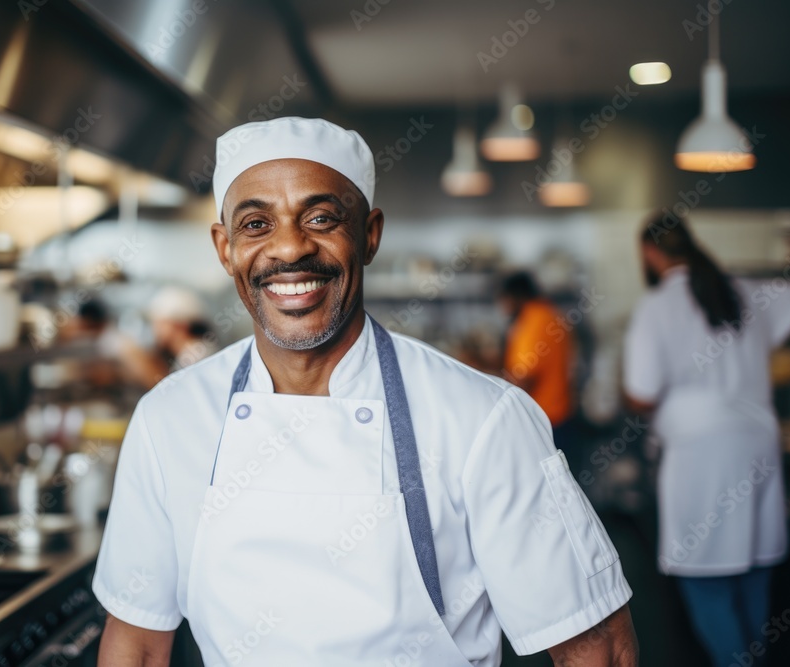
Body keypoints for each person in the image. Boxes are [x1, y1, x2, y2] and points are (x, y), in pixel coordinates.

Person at [94, 117, 638, 666]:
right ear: (225, 247)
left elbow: (596, 649)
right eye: (256, 224)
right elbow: (137, 644)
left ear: (370, 234)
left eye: (321, 218)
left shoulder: (483, 419)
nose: (289, 248)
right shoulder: (169, 418)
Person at [623, 213, 790, 667]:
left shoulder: (658, 306)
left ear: (649, 252)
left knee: (706, 579)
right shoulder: (742, 290)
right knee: (753, 571)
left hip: (701, 455)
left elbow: (641, 394)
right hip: (759, 445)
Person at [498, 271, 577, 456]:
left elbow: (523, 380)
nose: (503, 307)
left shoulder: (534, 322)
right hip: (558, 414)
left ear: (516, 297)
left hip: (544, 420)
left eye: (504, 300)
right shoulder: (549, 314)